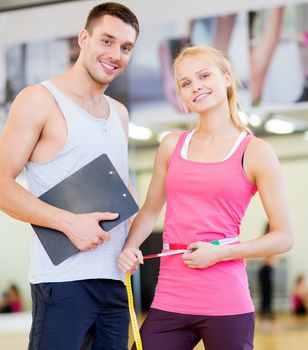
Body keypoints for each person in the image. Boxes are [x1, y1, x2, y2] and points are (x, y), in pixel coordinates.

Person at [118, 45, 293, 350]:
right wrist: (130, 247)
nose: (195, 86)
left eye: (203, 75)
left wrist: (219, 254)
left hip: (227, 302)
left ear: (226, 78)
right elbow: (149, 212)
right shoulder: (171, 145)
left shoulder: (255, 152)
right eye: (185, 83)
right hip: (171, 298)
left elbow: (283, 238)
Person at [0, 2, 139, 349]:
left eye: (125, 47)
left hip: (114, 281)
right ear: (83, 38)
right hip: (62, 282)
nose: (115, 54)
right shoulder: (39, 100)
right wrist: (69, 223)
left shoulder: (119, 113)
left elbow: (125, 194)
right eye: (106, 41)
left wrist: (133, 244)